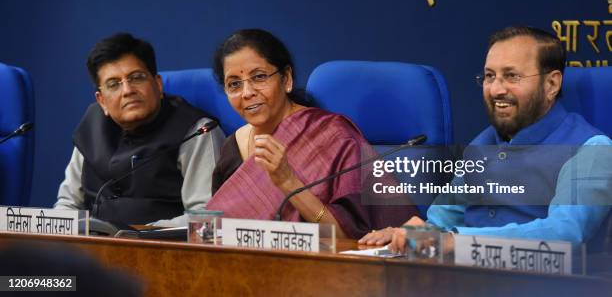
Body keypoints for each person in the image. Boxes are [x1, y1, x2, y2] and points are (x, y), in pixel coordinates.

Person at [359, 26, 612, 251]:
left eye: (512, 76)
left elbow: (564, 234)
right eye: (490, 76)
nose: (496, 89)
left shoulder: (592, 149)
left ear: (552, 84)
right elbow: (442, 222)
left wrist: (453, 241)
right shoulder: (482, 144)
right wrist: (408, 234)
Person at [206, 28, 417, 239]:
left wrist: (288, 181)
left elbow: (347, 239)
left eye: (259, 77)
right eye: (234, 84)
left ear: (286, 79)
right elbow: (216, 235)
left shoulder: (333, 137)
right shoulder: (233, 147)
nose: (247, 93)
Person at [55, 33, 225, 226]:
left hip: (164, 250)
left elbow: (204, 218)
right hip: (91, 250)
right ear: (101, 100)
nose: (127, 90)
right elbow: (67, 205)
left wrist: (138, 236)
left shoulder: (196, 131)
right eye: (114, 84)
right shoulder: (91, 127)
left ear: (158, 85)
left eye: (136, 78)